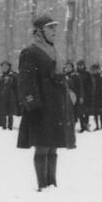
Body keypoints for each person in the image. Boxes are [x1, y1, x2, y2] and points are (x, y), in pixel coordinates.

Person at [17, 14, 76, 191]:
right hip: (41, 108)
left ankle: (52, 184)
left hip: (56, 107)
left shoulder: (52, 51)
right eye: (50, 28)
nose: (54, 31)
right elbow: (26, 82)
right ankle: (42, 186)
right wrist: (32, 105)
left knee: (53, 147)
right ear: (39, 32)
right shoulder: (30, 52)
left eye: (55, 28)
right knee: (42, 147)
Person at [0, 61, 19, 130]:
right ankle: (4, 126)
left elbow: (16, 87)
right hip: (1, 95)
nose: (4, 68)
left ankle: (10, 126)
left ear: (9, 67)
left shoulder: (13, 76)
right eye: (3, 66)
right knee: (3, 111)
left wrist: (17, 97)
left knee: (10, 112)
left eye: (6, 66)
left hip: (11, 95)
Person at [89, 63, 102, 130]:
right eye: (93, 70)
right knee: (95, 113)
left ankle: (101, 125)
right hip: (93, 97)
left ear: (98, 70)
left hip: (101, 97)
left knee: (101, 113)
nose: (94, 71)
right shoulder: (91, 78)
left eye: (96, 69)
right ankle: (97, 125)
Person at [76, 60, 93, 132]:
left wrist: (89, 92)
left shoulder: (87, 74)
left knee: (86, 112)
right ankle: (82, 126)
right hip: (78, 95)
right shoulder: (76, 74)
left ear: (84, 66)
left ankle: (86, 125)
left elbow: (91, 84)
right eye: (79, 65)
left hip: (87, 96)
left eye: (81, 65)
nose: (80, 66)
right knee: (80, 112)